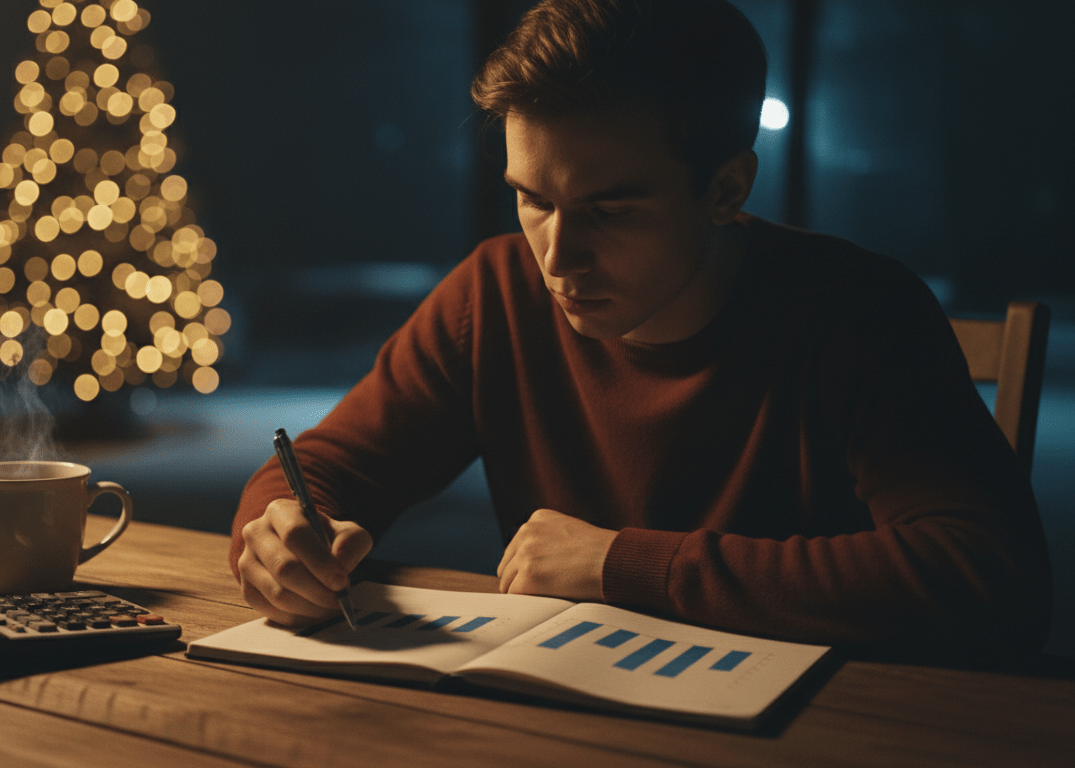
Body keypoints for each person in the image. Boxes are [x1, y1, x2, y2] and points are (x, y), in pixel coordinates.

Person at [229, 0, 1051, 659]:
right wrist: (281, 536)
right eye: (533, 199)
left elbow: (987, 575)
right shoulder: (495, 292)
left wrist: (622, 563)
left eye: (610, 210)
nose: (557, 257)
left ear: (726, 189)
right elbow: (325, 469)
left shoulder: (858, 312)